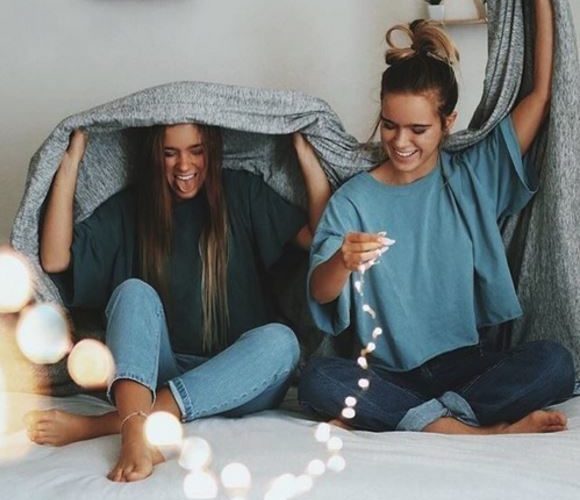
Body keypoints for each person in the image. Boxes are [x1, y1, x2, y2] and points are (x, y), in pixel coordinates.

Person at [299, 0, 576, 435]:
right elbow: (320, 289)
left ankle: (423, 418)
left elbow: (540, 96)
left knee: (556, 362)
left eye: (418, 130)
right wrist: (342, 261)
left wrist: (543, 3)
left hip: (466, 367)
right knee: (317, 378)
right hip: (390, 374)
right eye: (390, 125)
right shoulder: (354, 200)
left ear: (448, 122)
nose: (400, 142)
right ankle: (475, 429)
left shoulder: (472, 178)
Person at [25, 122, 330, 482]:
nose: (184, 166)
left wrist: (307, 155)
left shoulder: (242, 191)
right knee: (132, 292)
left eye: (196, 151)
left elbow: (321, 237)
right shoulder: (132, 207)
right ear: (155, 156)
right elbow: (55, 259)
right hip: (160, 372)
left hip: (240, 379)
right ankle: (136, 430)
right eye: (170, 153)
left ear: (212, 150)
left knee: (283, 342)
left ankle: (112, 424)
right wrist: (70, 163)